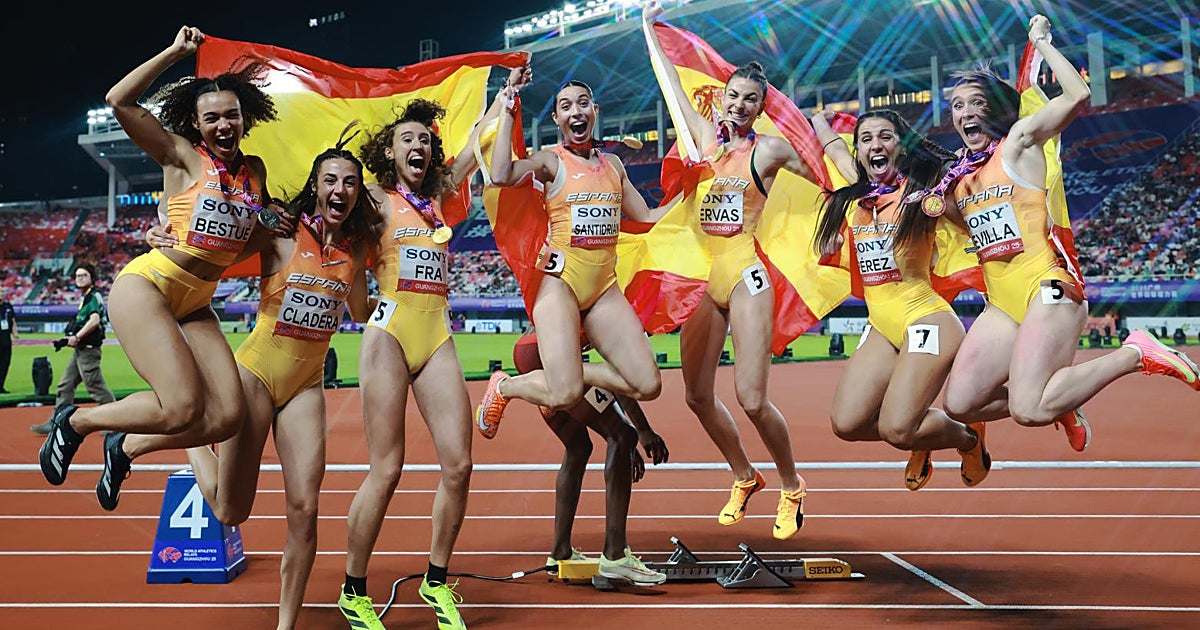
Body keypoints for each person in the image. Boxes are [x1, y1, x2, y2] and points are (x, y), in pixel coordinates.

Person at [37, 26, 283, 511]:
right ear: (196, 123)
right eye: (211, 118)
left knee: (227, 417)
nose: (224, 125)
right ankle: (77, 421)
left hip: (196, 302)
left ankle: (125, 446)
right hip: (148, 288)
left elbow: (243, 237)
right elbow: (119, 101)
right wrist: (175, 53)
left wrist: (276, 220)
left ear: (245, 116)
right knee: (182, 407)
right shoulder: (181, 154)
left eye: (231, 115)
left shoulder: (254, 172)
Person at [145, 132, 378, 630]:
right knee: (230, 511)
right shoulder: (281, 234)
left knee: (305, 507)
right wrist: (163, 232)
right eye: (331, 180)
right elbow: (214, 247)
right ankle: (196, 445)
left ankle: (285, 625)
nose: (340, 189)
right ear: (315, 186)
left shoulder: (355, 252)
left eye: (350, 183)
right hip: (255, 375)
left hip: (306, 385)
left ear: (358, 193)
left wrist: (411, 302)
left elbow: (361, 310)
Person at [939, 15, 1200, 443]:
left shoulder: (1020, 141)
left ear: (998, 110)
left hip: (1047, 287)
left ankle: (1135, 353)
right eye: (956, 105)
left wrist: (1041, 42)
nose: (964, 113)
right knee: (961, 404)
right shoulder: (960, 175)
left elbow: (1078, 94)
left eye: (975, 103)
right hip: (1001, 303)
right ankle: (1064, 397)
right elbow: (966, 225)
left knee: (1029, 408)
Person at [336, 78, 523, 630]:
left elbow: (478, 141)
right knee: (387, 469)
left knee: (459, 465)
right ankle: (353, 588)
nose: (417, 147)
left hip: (436, 331)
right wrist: (363, 303)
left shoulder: (439, 197)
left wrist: (507, 92)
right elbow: (335, 228)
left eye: (424, 140)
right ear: (389, 152)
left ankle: (437, 582)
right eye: (406, 140)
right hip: (390, 332)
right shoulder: (372, 198)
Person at [640, 0, 813, 539]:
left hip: (745, 276)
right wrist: (648, 27)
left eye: (751, 100)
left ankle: (792, 486)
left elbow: (822, 180)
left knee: (753, 398)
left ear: (761, 108)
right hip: (704, 279)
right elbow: (669, 83)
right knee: (694, 396)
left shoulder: (771, 152)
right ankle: (745, 475)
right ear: (721, 99)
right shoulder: (700, 140)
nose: (739, 105)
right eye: (734, 96)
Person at [475, 70, 665, 441]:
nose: (574, 111)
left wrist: (691, 196)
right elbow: (499, 175)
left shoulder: (614, 166)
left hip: (603, 290)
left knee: (648, 385)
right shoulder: (551, 161)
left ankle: (569, 371)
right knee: (564, 393)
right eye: (565, 107)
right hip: (561, 284)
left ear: (594, 111)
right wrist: (510, 106)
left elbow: (646, 217)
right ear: (557, 119)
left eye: (582, 104)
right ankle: (504, 387)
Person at [810, 109, 989, 490]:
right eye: (866, 138)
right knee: (847, 423)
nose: (876, 145)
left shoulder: (922, 193)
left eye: (886, 137)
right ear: (858, 150)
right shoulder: (855, 197)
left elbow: (973, 221)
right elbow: (831, 148)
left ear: (901, 146)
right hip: (882, 326)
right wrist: (818, 118)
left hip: (926, 320)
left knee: (897, 429)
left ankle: (968, 438)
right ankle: (923, 433)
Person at [513, 328, 668, 586]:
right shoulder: (631, 307)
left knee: (578, 446)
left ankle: (560, 551)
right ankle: (615, 556)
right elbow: (618, 376)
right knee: (622, 436)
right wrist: (641, 430)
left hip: (533, 350)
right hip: (546, 354)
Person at [31, 264, 116, 434]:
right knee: (65, 384)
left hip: (89, 349)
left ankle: (114, 421)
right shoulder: (86, 297)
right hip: (82, 349)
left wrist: (77, 337)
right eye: (77, 276)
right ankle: (57, 422)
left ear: (92, 277)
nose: (80, 278)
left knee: (95, 385)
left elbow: (94, 321)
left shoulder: (93, 296)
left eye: (84, 275)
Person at [0, 289, 16, 393]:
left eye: (2, 292)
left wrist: (15, 333)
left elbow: (13, 320)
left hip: (6, 338)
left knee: (5, 363)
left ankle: (1, 386)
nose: (1, 294)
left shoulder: (8, 306)